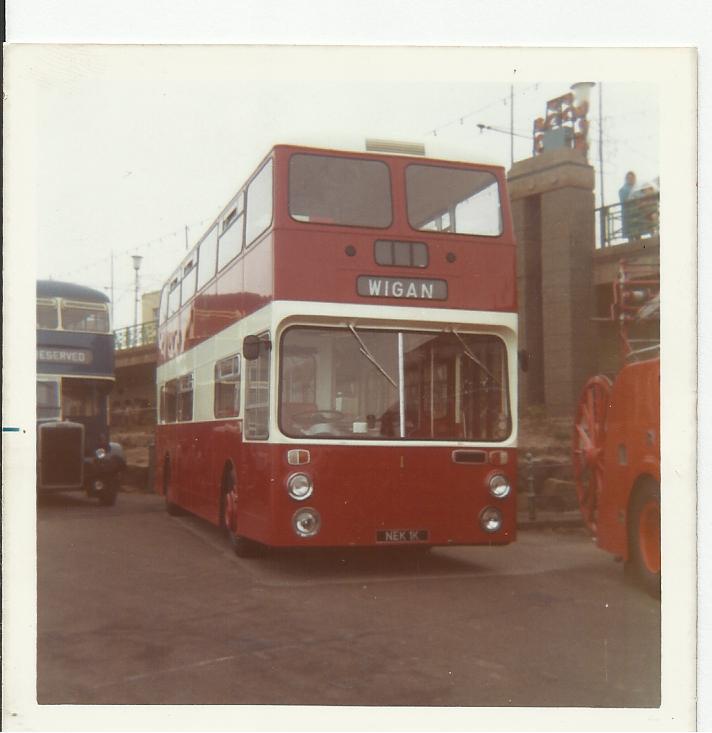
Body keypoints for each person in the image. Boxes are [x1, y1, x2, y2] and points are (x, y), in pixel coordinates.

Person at [619, 171, 637, 240]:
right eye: (629, 178)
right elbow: (623, 201)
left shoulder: (637, 188)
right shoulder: (622, 190)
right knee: (630, 235)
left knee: (638, 233)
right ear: (626, 179)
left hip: (637, 213)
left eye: (632, 178)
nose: (631, 179)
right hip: (628, 214)